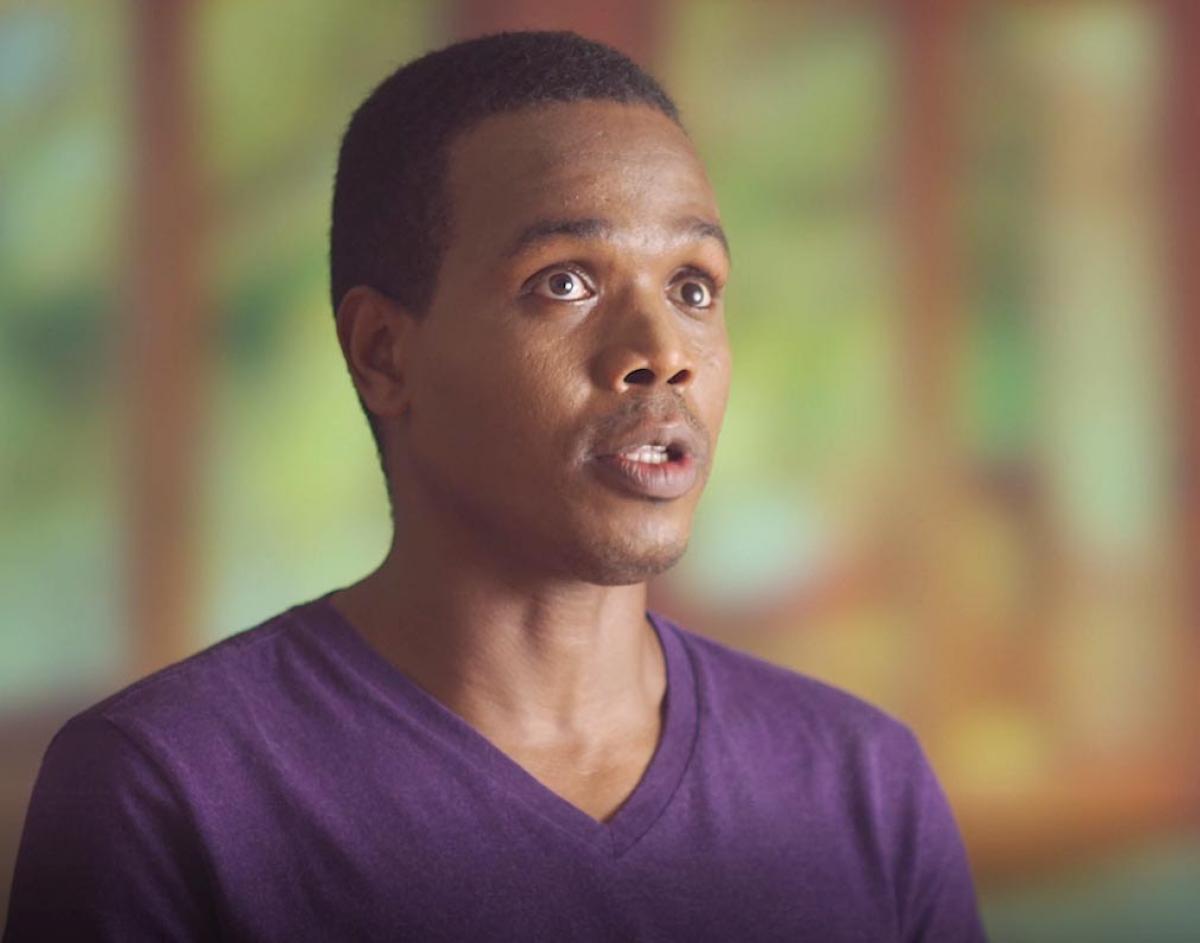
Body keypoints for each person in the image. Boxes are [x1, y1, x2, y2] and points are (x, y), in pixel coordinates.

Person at [4, 31, 986, 942]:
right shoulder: (167, 793)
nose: (663, 352)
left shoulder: (864, 785)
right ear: (384, 354)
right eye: (565, 282)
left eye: (693, 287)